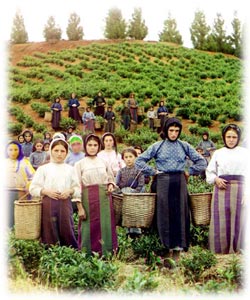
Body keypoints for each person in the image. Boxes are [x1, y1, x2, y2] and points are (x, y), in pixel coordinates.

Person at [135, 117, 207, 259]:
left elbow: (202, 162)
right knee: (163, 215)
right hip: (163, 182)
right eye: (171, 130)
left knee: (180, 215)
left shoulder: (184, 145)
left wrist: (189, 171)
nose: (173, 133)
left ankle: (177, 252)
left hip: (179, 183)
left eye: (176, 131)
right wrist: (153, 171)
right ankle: (164, 250)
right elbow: (139, 161)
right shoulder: (158, 146)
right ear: (166, 130)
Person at [29, 137, 81, 249]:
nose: (59, 154)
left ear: (67, 153)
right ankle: (51, 255)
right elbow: (33, 188)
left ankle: (69, 254)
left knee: (67, 228)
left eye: (62, 151)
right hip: (48, 204)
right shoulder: (43, 169)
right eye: (56, 150)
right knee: (49, 230)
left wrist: (70, 191)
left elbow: (77, 189)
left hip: (65, 204)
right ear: (51, 151)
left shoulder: (70, 169)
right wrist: (45, 191)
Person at [206, 124, 248, 254]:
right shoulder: (218, 153)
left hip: (240, 191)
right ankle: (220, 250)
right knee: (221, 220)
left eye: (234, 137)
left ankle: (238, 250)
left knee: (240, 220)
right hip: (222, 191)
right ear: (224, 137)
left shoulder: (245, 153)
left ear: (238, 138)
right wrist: (216, 179)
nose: (231, 140)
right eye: (228, 136)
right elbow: (209, 172)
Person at [74, 134, 118, 256]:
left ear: (99, 146)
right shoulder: (80, 164)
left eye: (95, 145)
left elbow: (110, 178)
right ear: (85, 146)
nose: (92, 148)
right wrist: (80, 207)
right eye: (89, 145)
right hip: (88, 200)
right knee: (88, 227)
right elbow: (76, 186)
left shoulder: (103, 162)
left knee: (105, 226)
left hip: (104, 199)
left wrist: (110, 185)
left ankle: (107, 253)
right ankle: (87, 254)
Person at [116, 147, 145, 238]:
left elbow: (141, 183)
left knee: (135, 213)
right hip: (124, 195)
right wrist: (120, 192)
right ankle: (128, 232)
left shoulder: (139, 171)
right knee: (127, 213)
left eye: (131, 156)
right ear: (123, 159)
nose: (128, 159)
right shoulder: (121, 171)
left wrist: (135, 193)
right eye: (126, 157)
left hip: (135, 196)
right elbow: (117, 184)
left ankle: (136, 232)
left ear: (135, 157)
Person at [6, 141, 35, 227]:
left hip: (22, 192)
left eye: (16, 149)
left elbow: (33, 176)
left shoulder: (25, 162)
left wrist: (29, 185)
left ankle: (21, 232)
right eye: (10, 149)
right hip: (5, 192)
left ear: (20, 150)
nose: (13, 152)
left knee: (21, 214)